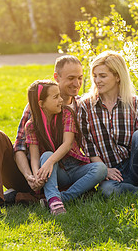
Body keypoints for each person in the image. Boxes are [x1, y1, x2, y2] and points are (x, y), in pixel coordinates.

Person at [0, 55, 89, 217]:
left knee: (88, 191)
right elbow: (20, 147)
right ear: (56, 77)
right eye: (71, 78)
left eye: (80, 78)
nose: (77, 84)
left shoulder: (82, 107)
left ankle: (19, 197)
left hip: (60, 177)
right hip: (29, 173)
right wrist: (29, 176)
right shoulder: (36, 105)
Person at [78, 50, 138, 201]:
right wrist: (105, 171)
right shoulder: (86, 106)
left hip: (136, 167)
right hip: (110, 173)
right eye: (95, 76)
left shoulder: (134, 103)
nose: (97, 80)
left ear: (117, 77)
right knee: (107, 191)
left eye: (103, 76)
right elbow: (88, 146)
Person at [25, 80, 106, 215]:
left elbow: (67, 144)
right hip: (55, 173)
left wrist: (50, 161)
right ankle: (55, 202)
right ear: (41, 104)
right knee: (46, 155)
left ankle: (58, 199)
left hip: (75, 167)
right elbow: (34, 156)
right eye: (56, 97)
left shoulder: (67, 113)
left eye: (60, 96)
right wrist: (36, 176)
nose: (61, 100)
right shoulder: (31, 126)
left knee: (101, 169)